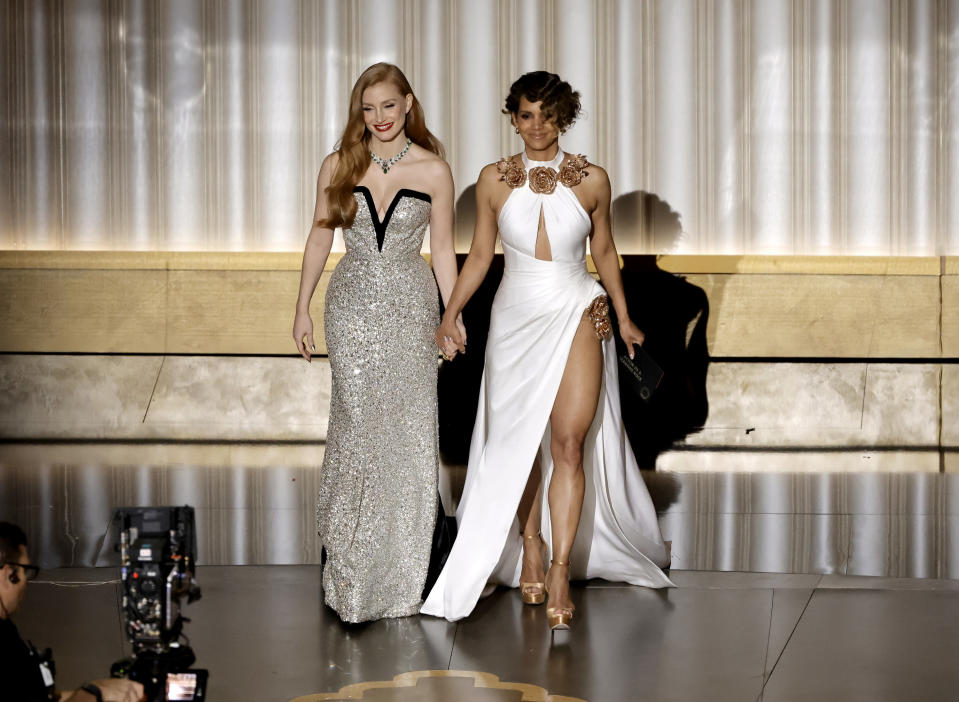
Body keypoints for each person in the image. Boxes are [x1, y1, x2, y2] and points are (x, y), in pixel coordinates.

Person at [422, 71, 673, 629]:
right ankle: (529, 544)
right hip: (515, 317)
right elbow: (481, 255)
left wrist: (626, 317)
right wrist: (451, 309)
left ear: (564, 118)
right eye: (526, 114)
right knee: (517, 446)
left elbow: (604, 251)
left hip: (577, 307)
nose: (536, 126)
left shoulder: (591, 180)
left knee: (567, 442)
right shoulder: (492, 180)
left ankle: (560, 569)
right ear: (513, 116)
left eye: (548, 115)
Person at [292, 63, 463, 623]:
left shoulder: (435, 170)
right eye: (369, 108)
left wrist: (452, 313)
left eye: (389, 106)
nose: (380, 118)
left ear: (408, 103)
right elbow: (321, 237)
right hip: (353, 308)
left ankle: (401, 574)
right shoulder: (339, 164)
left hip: (412, 310)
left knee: (410, 434)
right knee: (359, 430)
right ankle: (352, 569)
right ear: (358, 111)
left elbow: (441, 250)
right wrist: (302, 308)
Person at [0, 522, 145, 702]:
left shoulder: (8, 630)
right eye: (26, 571)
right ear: (9, 574)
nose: (26, 582)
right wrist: (93, 693)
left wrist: (107, 690)